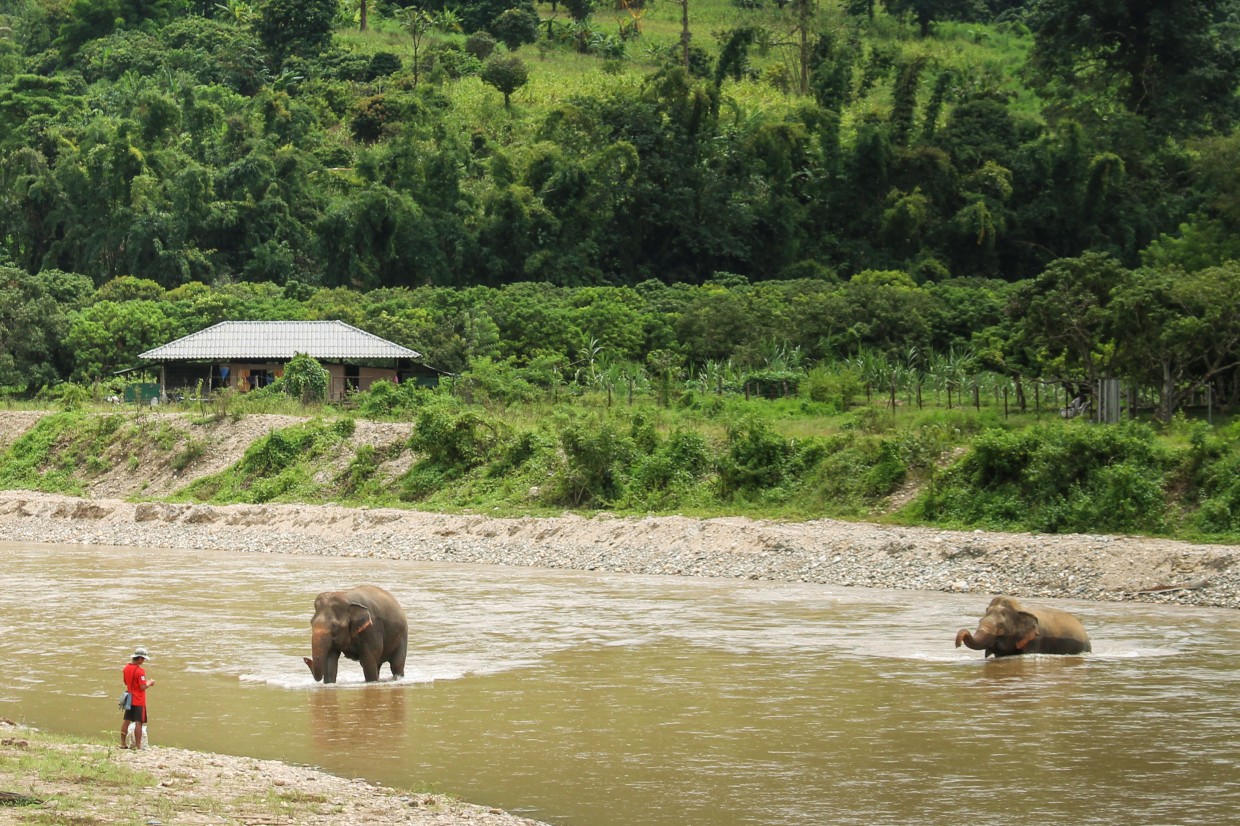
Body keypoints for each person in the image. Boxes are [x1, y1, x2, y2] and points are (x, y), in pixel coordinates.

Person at [120, 646, 155, 749]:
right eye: (143, 659)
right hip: (138, 700)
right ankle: (138, 745)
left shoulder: (126, 668)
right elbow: (142, 686)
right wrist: (150, 683)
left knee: (126, 720)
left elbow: (126, 682)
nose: (143, 661)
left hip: (129, 698)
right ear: (139, 658)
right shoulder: (140, 671)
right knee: (138, 722)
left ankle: (122, 743)